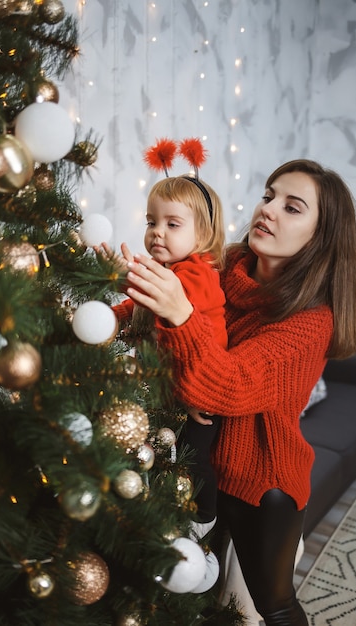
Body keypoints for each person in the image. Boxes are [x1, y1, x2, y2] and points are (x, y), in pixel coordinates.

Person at [120, 159, 356, 626]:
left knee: (269, 606)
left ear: (320, 236)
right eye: (268, 196)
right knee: (191, 590)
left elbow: (227, 386)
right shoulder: (226, 263)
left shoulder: (312, 321)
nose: (268, 210)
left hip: (261, 478)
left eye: (291, 207)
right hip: (199, 461)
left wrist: (180, 315)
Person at [109, 173, 228, 538]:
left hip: (201, 388)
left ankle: (203, 518)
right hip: (164, 386)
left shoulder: (197, 274)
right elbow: (137, 305)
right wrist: (111, 318)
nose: (157, 232)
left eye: (172, 224)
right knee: (158, 451)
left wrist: (123, 274)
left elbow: (163, 302)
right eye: (151, 221)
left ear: (202, 236)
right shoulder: (164, 269)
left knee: (194, 456)